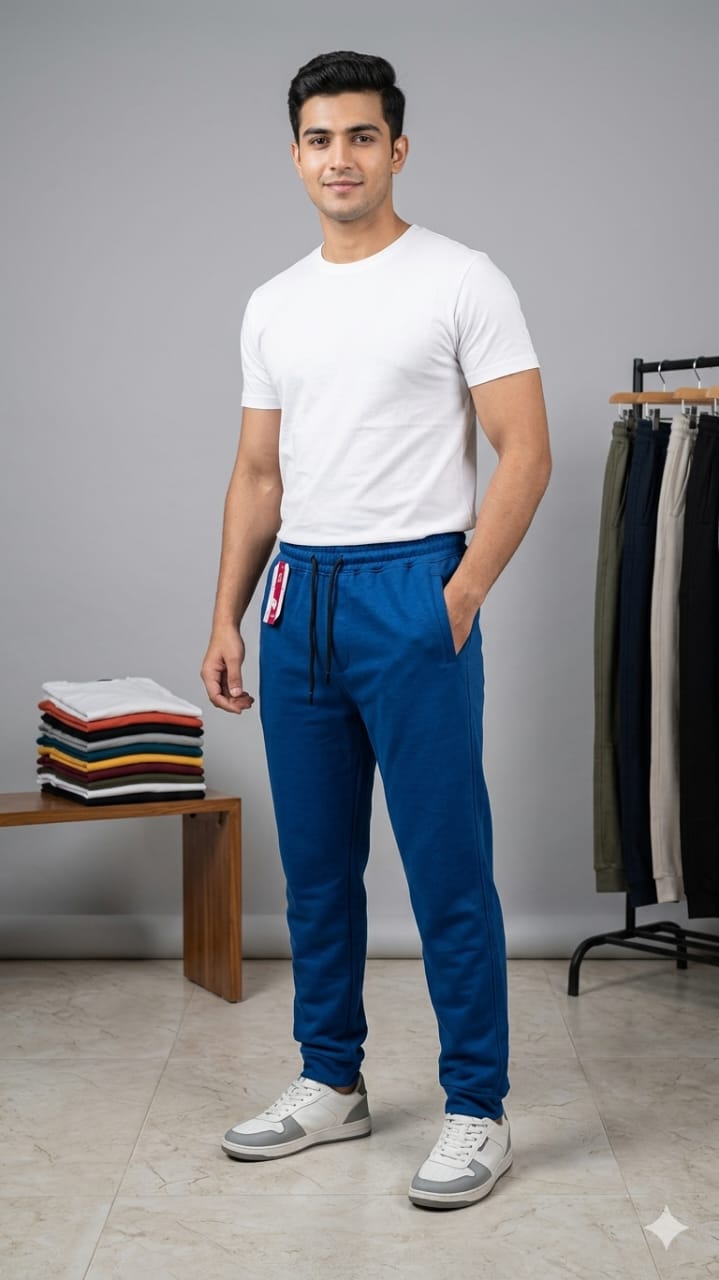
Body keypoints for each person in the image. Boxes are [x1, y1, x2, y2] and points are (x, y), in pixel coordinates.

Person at [200, 49, 551, 1211]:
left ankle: (476, 1106)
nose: (338, 158)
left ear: (396, 148)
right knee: (315, 868)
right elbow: (258, 474)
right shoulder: (272, 302)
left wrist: (459, 593)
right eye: (319, 138)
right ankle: (330, 1079)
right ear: (294, 154)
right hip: (298, 593)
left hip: (413, 586)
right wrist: (226, 615)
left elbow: (525, 451)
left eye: (360, 136)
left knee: (446, 865)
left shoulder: (461, 279)